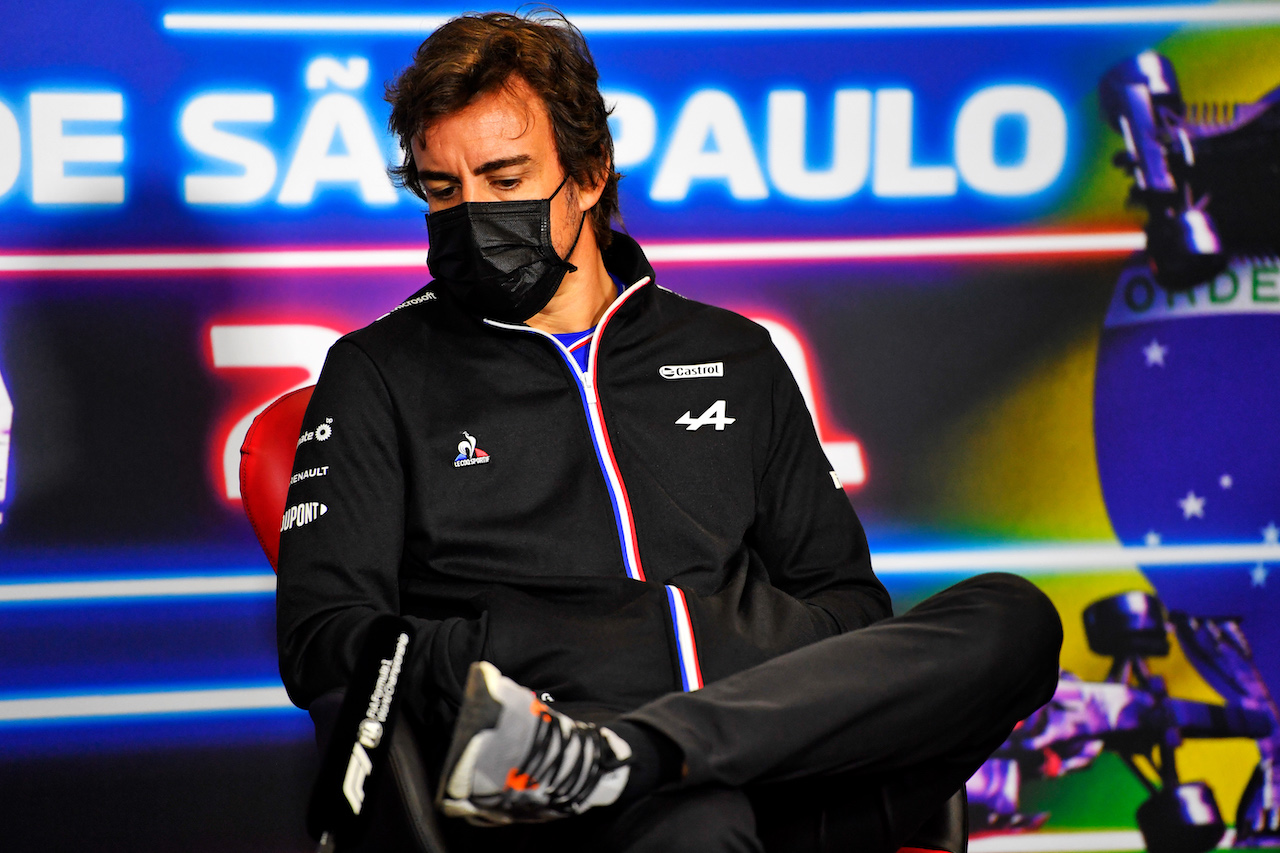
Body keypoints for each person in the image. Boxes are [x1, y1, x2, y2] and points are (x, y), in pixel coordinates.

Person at [276, 10, 1063, 852]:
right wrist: (535, 652)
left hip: (784, 766)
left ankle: (630, 755)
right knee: (694, 822)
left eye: (505, 180)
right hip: (543, 796)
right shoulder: (379, 372)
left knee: (1014, 617)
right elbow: (328, 640)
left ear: (587, 172)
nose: (472, 213)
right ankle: (607, 761)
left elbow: (849, 605)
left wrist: (704, 653)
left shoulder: (733, 354)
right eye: (442, 190)